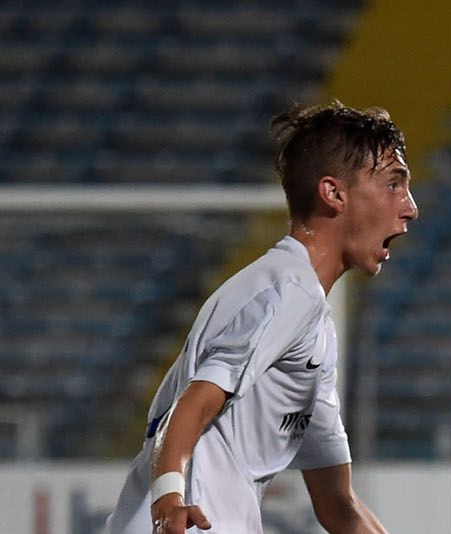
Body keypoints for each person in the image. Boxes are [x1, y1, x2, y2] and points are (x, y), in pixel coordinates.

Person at [106, 101, 419, 534]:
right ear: (333, 193)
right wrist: (170, 501)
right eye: (393, 184)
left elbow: (338, 504)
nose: (409, 207)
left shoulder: (305, 319)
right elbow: (193, 404)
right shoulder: (289, 292)